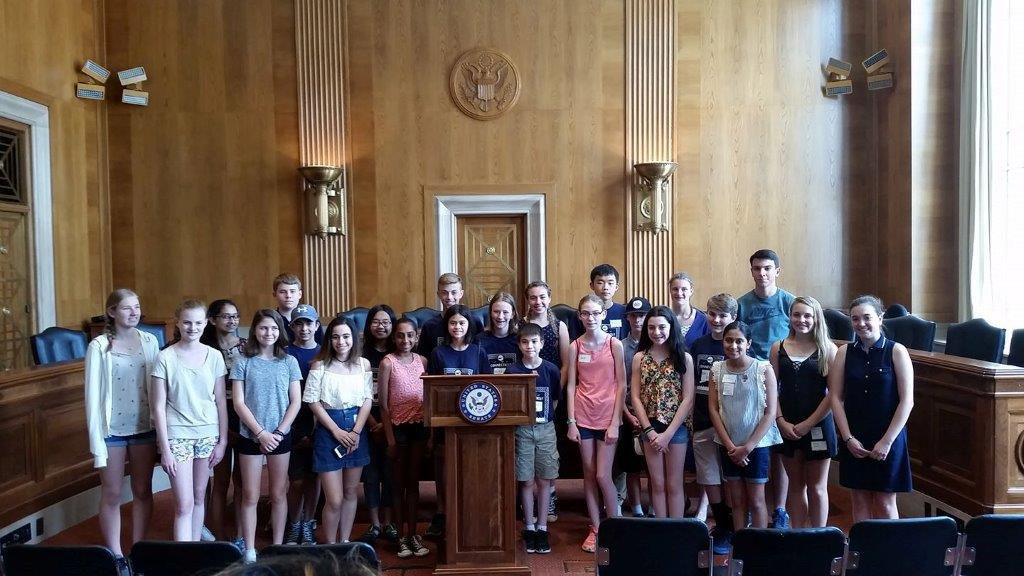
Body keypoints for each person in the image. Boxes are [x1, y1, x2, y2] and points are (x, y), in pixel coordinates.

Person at [85, 289, 160, 574]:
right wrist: (96, 441)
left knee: (142, 490)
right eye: (127, 308)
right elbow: (92, 398)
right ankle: (115, 555)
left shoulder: (151, 341)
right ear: (112, 312)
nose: (134, 312)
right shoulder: (99, 346)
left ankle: (138, 549)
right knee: (113, 493)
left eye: (137, 307)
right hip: (111, 430)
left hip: (144, 427)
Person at [830, 296, 914, 521]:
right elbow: (836, 398)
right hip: (855, 437)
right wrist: (847, 439)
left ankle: (889, 555)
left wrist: (886, 442)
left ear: (879, 317)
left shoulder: (896, 351)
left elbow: (907, 401)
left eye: (867, 317)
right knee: (859, 500)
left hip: (889, 436)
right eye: (855, 319)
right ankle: (864, 553)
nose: (861, 323)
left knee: (886, 503)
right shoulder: (844, 353)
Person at [151, 299, 229, 542]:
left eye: (197, 323)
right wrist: (165, 449)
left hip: (207, 434)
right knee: (183, 505)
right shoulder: (165, 357)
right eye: (187, 322)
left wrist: (222, 441)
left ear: (206, 324)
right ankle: (182, 559)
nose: (192, 327)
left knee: (198, 498)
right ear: (178, 323)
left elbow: (221, 401)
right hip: (177, 436)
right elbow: (158, 407)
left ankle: (196, 555)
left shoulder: (215, 356)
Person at [231, 310, 303, 561]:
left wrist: (279, 432)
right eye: (263, 328)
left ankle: (276, 547)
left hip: (280, 435)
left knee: (278, 493)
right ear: (254, 331)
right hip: (250, 436)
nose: (268, 333)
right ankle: (250, 548)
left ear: (280, 331)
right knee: (250, 494)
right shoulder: (243, 361)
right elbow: (239, 403)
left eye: (273, 328)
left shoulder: (289, 362)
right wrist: (260, 433)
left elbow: (296, 401)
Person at [737, 249, 795, 529]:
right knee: (752, 443)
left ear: (777, 271)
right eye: (757, 268)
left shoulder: (788, 303)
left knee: (778, 449)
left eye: (767, 268)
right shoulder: (742, 305)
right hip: (749, 382)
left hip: (782, 380)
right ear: (751, 271)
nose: (762, 273)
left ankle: (780, 509)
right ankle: (750, 507)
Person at [769, 296, 838, 528]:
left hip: (818, 425)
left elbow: (834, 395)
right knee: (795, 486)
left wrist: (810, 423)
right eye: (797, 315)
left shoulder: (828, 349)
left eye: (808, 315)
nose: (802, 320)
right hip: (787, 424)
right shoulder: (778, 348)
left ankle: (821, 538)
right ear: (790, 317)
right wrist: (780, 421)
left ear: (816, 318)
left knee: (817, 487)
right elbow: (772, 390)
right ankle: (798, 536)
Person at [304, 316, 373, 544]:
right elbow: (313, 402)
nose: (341, 341)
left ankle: (344, 542)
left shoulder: (363, 364)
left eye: (345, 336)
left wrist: (355, 432)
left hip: (356, 427)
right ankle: (330, 545)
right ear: (328, 339)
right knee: (333, 499)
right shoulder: (320, 364)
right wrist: (336, 431)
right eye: (335, 337)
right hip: (329, 428)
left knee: (351, 492)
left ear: (353, 338)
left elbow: (367, 400)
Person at [426, 304, 493, 537]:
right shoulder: (438, 353)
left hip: (474, 423)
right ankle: (442, 513)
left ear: (469, 326)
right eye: (453, 323)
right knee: (443, 470)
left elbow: (487, 387)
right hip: (445, 422)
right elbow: (430, 390)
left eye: (462, 323)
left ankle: (470, 512)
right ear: (447, 326)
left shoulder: (478, 352)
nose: (457, 327)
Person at [708, 321, 783, 530]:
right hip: (729, 445)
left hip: (755, 447)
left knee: (757, 501)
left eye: (739, 341)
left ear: (748, 343)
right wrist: (730, 446)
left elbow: (770, 412)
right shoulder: (717, 369)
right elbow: (713, 409)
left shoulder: (763, 369)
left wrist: (748, 447)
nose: (733, 346)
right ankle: (741, 544)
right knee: (737, 501)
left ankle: (758, 548)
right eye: (729, 340)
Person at [566, 294, 625, 552]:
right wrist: (570, 421)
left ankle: (616, 525)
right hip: (582, 416)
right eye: (585, 313)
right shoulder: (575, 346)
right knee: (589, 475)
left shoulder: (614, 344)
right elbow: (570, 385)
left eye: (595, 313)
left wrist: (616, 422)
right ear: (579, 316)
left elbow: (622, 384)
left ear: (603, 314)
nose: (590, 318)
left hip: (607, 416)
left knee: (603, 474)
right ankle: (596, 527)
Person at [631, 306, 695, 519]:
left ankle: (676, 530)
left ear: (671, 328)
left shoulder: (684, 357)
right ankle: (661, 528)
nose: (656, 332)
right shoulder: (640, 357)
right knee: (657, 483)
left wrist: (668, 434)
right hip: (650, 428)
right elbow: (635, 397)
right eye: (651, 327)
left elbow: (687, 398)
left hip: (675, 429)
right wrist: (649, 431)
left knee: (674, 483)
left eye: (661, 327)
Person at [688, 293, 739, 552]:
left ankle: (733, 524)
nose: (717, 320)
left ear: (733, 318)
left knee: (730, 476)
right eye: (712, 314)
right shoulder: (697, 345)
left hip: (731, 424)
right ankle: (720, 523)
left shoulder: (735, 345)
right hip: (702, 418)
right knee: (708, 475)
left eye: (722, 315)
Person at [379, 317, 431, 558]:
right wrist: (390, 440)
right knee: (398, 485)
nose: (405, 340)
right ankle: (400, 536)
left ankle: (413, 534)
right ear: (394, 337)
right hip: (397, 430)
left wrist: (430, 434)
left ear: (417, 337)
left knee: (413, 484)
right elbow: (384, 407)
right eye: (401, 335)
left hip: (419, 428)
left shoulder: (422, 361)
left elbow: (428, 400)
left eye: (410, 335)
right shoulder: (387, 363)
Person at [507, 323, 561, 554]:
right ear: (519, 344)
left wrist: (545, 419)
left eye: (534, 342)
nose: (530, 346)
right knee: (526, 480)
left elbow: (556, 400)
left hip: (545, 428)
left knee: (545, 480)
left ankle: (542, 526)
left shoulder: (551, 369)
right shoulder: (512, 371)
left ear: (542, 343)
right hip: (522, 430)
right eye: (525, 342)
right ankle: (529, 527)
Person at [523, 280, 570, 522]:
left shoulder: (558, 326)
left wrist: (555, 396)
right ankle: (528, 502)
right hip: (524, 398)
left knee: (549, 451)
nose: (538, 302)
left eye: (542, 297)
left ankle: (549, 496)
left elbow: (565, 365)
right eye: (533, 297)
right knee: (525, 449)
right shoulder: (520, 326)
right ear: (527, 300)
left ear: (549, 298)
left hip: (551, 396)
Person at [200, 299, 246, 547]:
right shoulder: (205, 349)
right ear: (213, 320)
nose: (232, 321)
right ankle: (218, 537)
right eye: (226, 316)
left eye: (236, 316)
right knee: (220, 480)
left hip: (242, 416)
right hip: (213, 417)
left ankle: (239, 536)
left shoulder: (247, 347)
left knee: (241, 480)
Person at [358, 304, 398, 545]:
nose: (381, 326)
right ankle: (374, 524)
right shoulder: (359, 354)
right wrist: (373, 423)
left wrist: (386, 423)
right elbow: (356, 391)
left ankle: (389, 522)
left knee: (390, 474)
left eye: (386, 322)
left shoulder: (398, 352)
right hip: (365, 422)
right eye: (376, 321)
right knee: (371, 474)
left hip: (393, 423)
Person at [285, 305, 322, 546]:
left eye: (309, 323)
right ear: (292, 326)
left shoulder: (323, 353)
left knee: (315, 478)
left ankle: (309, 522)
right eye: (299, 323)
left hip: (320, 423)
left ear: (317, 326)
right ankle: (294, 523)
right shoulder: (285, 353)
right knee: (296, 480)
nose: (304, 328)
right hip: (293, 423)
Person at [615, 296, 650, 518]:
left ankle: (655, 508)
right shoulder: (619, 347)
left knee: (655, 466)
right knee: (631, 465)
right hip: (628, 413)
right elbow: (618, 384)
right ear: (627, 318)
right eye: (633, 315)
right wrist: (626, 413)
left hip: (654, 414)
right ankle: (636, 508)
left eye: (642, 315)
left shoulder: (657, 343)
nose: (638, 320)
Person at [416, 272, 483, 359]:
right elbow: (423, 359)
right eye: (444, 293)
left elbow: (481, 355)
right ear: (438, 294)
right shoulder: (429, 326)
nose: (449, 297)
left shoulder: (475, 322)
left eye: (454, 292)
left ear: (461, 294)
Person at [570, 264, 628, 340]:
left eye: (610, 283)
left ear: (616, 287)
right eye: (600, 283)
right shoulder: (583, 313)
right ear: (592, 285)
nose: (605, 288)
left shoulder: (625, 312)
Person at [474, 292, 520, 374]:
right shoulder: (479, 340)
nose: (500, 317)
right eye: (496, 311)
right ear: (490, 313)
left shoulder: (520, 339)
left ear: (512, 314)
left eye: (505, 312)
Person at [273, 273, 323, 344]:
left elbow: (322, 347)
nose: (288, 296)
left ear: (300, 294)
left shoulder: (311, 318)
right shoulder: (272, 319)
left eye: (292, 291)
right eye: (283, 292)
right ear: (275, 295)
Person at [669, 272, 710, 349]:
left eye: (684, 289)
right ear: (670, 291)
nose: (679, 293)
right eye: (675, 289)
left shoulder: (703, 320)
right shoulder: (664, 318)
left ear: (691, 291)